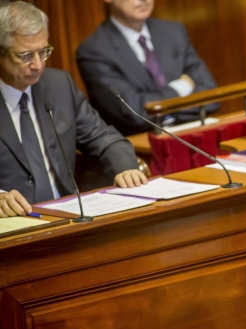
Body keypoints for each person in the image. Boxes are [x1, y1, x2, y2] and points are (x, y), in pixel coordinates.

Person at [0, 1, 147, 218]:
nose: (38, 65)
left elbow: (106, 138)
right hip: (14, 224)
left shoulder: (58, 86)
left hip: (70, 216)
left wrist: (126, 168)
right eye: (25, 56)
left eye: (44, 51)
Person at [76, 0, 219, 135]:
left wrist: (159, 110)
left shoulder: (174, 32)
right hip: (140, 148)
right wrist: (181, 88)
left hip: (192, 135)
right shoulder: (94, 50)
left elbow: (211, 98)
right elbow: (135, 114)